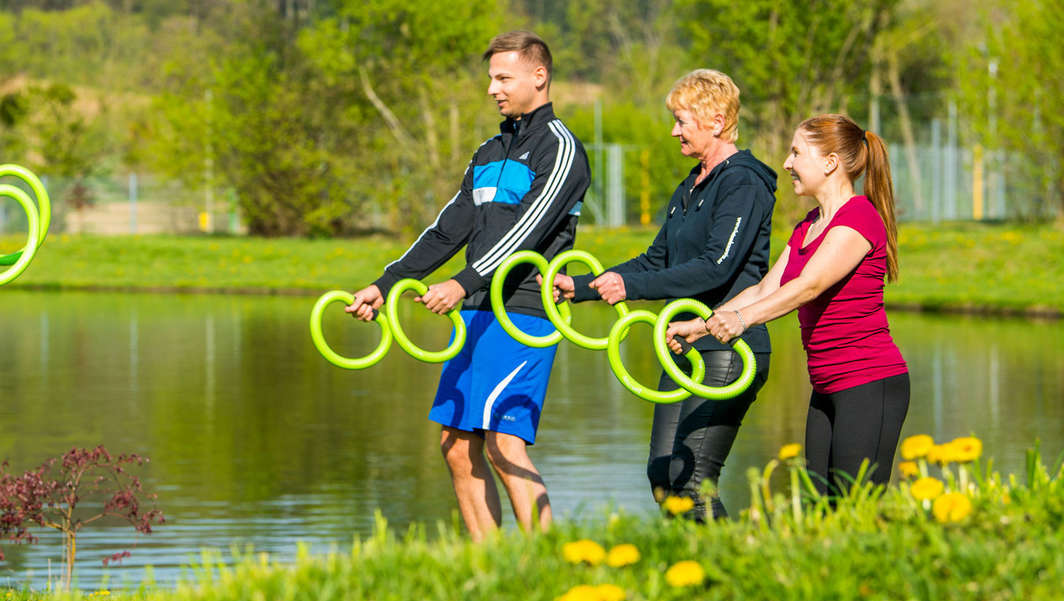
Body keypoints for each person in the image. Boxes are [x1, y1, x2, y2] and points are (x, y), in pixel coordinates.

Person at [345, 31, 591, 540]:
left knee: (505, 443)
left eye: (504, 78)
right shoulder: (489, 150)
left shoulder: (561, 148)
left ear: (538, 76)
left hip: (522, 312)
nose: (492, 89)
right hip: (475, 312)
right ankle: (491, 567)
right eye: (490, 79)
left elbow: (530, 231)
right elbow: (448, 228)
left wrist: (461, 282)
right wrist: (387, 283)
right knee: (456, 444)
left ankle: (546, 562)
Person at [547, 70, 775, 521]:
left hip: (729, 346)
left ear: (715, 120)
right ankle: (692, 574)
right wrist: (584, 287)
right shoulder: (690, 186)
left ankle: (736, 568)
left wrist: (629, 288)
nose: (674, 131)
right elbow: (657, 261)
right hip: (682, 347)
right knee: (663, 480)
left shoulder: (744, 182)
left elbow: (717, 267)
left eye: (682, 121)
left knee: (692, 484)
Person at [666, 114, 909, 497]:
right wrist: (702, 325)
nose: (787, 163)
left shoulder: (858, 218)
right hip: (826, 386)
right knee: (817, 512)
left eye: (796, 153)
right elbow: (766, 288)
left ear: (830, 163)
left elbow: (807, 287)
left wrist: (742, 321)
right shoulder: (809, 225)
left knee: (857, 512)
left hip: (868, 383)